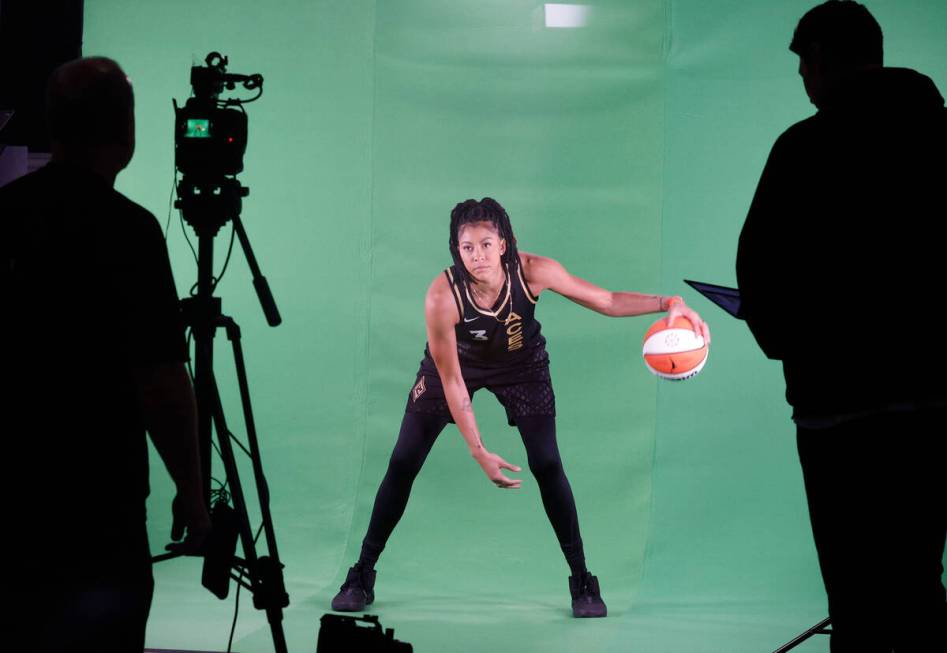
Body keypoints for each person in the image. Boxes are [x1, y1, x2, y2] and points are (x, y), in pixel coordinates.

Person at [331, 197, 710, 618]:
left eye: (487, 243)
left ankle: (582, 579)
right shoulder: (443, 296)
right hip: (456, 367)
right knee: (403, 460)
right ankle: (361, 573)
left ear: (505, 244)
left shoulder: (533, 271)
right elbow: (453, 381)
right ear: (456, 249)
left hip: (522, 365)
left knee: (547, 463)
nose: (478, 255)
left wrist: (669, 302)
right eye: (467, 246)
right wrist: (478, 450)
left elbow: (605, 300)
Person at [736, 2, 947, 650]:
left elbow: (759, 272)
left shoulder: (802, 149)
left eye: (803, 63)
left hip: (836, 415)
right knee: (918, 579)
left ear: (820, 61)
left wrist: (788, 336)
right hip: (935, 407)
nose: (803, 78)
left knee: (853, 592)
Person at [0, 57, 210, 652]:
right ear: (126, 133)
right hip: (100, 514)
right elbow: (163, 382)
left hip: (13, 506)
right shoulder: (132, 232)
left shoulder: (5, 214)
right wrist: (193, 496)